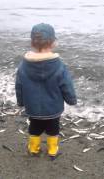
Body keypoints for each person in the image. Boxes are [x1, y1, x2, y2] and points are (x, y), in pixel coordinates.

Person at [15, 23, 77, 157]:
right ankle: (52, 150)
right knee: (53, 129)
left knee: (34, 128)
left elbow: (19, 85)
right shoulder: (59, 65)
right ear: (53, 43)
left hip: (32, 107)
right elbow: (66, 84)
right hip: (53, 108)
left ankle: (34, 148)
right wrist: (71, 100)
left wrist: (20, 102)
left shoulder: (23, 66)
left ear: (32, 42)